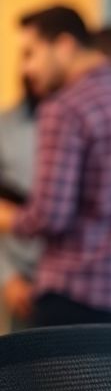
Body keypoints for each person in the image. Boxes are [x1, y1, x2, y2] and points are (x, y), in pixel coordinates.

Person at [0, 6, 111, 327]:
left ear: (65, 46)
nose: (27, 68)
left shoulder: (64, 108)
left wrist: (7, 218)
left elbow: (51, 216)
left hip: (73, 295)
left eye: (32, 53)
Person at [0, 77, 42, 328]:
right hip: (20, 273)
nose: (29, 67)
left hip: (70, 284)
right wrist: (7, 275)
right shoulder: (5, 127)